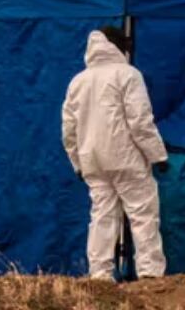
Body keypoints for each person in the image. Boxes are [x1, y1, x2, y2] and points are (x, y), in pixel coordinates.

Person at [62, 26, 169, 279]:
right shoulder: (128, 75)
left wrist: (76, 162)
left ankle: (99, 275)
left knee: (101, 216)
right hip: (126, 158)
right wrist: (158, 155)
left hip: (93, 161)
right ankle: (150, 274)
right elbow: (140, 121)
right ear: (118, 46)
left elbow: (68, 129)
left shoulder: (78, 81)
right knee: (142, 215)